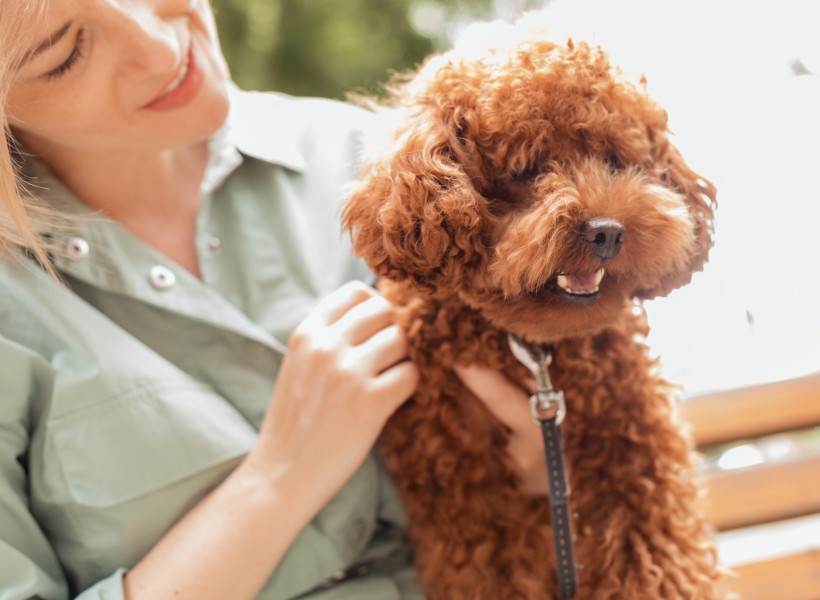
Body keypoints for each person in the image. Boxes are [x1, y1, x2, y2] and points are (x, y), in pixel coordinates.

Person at [0, 1, 548, 599]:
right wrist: (281, 477)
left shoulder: (387, 157)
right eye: (65, 54)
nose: (159, 46)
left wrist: (556, 468)